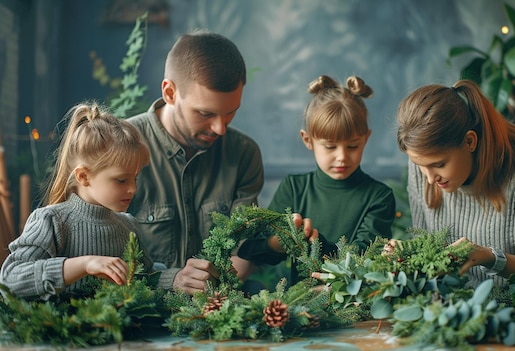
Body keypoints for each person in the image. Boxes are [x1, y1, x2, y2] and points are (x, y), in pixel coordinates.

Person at [125, 30, 317, 294]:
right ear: (170, 92)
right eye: (205, 114)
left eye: (230, 113)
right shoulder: (120, 148)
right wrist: (172, 281)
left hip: (220, 312)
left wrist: (212, 294)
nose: (220, 128)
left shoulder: (244, 154)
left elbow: (241, 252)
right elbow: (97, 254)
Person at [394, 79, 515, 288]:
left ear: (470, 141)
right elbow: (428, 260)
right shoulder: (424, 159)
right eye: (419, 165)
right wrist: (407, 255)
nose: (428, 178)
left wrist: (492, 259)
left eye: (440, 164)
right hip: (445, 306)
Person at [0, 102, 169, 300]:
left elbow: (146, 277)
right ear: (83, 176)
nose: (133, 188)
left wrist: (176, 278)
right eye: (122, 180)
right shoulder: (51, 222)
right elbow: (10, 280)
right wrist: (85, 265)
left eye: (135, 178)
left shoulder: (128, 226)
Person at [238, 75, 396, 284]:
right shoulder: (294, 188)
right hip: (301, 308)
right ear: (308, 140)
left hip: (359, 306)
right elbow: (251, 249)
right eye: (330, 147)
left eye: (352, 146)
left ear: (365, 139)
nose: (341, 156)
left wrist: (316, 243)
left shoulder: (379, 196)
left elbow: (364, 259)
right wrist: (277, 243)